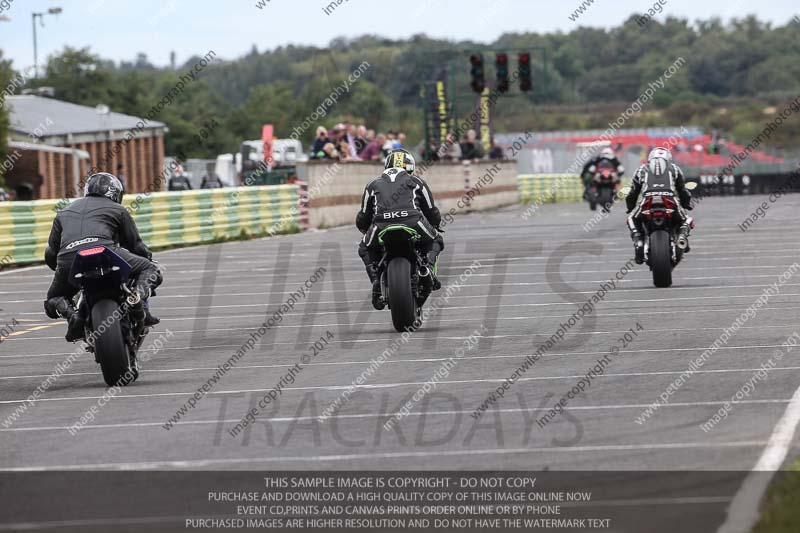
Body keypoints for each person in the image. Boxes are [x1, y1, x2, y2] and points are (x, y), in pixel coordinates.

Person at [43, 173, 163, 342]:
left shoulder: (63, 212)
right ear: (116, 193)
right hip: (106, 252)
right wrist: (147, 258)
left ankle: (73, 317)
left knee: (52, 300)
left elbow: (50, 253)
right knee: (150, 269)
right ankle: (137, 297)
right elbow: (135, 245)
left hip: (70, 258)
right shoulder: (118, 209)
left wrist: (60, 269)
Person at [356, 149, 445, 310]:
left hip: (381, 225)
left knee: (364, 247)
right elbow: (432, 211)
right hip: (413, 221)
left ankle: (376, 281)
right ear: (410, 166)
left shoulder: (372, 185)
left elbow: (362, 217)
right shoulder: (417, 182)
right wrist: (436, 224)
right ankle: (428, 270)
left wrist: (364, 229)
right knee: (436, 239)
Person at [625, 147, 694, 264]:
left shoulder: (640, 170)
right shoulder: (675, 169)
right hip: (670, 200)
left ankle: (639, 242)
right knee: (686, 218)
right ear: (668, 159)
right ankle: (682, 237)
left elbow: (633, 193)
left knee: (632, 217)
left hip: (647, 200)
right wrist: (686, 204)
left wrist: (630, 207)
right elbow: (683, 191)